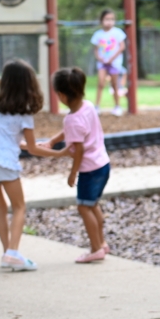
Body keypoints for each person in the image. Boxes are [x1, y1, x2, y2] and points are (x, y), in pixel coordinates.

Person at [0, 60, 68, 271]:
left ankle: (7, 252)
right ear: (28, 85)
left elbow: (6, 139)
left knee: (0, 206)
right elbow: (33, 149)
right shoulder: (24, 114)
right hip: (5, 165)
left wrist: (26, 144)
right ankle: (13, 253)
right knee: (19, 207)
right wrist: (59, 153)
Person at [42, 68, 112, 264]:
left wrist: (73, 173)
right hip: (103, 165)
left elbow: (78, 150)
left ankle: (95, 248)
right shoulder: (87, 106)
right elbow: (71, 130)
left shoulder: (72, 119)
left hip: (89, 170)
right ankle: (102, 243)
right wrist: (53, 140)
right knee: (93, 205)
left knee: (83, 207)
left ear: (62, 95)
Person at [91, 8, 127, 116]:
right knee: (101, 83)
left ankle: (117, 106)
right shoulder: (98, 34)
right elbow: (96, 50)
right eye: (107, 19)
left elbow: (122, 47)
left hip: (114, 63)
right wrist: (100, 58)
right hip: (102, 63)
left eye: (112, 19)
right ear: (102, 20)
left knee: (114, 84)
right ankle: (96, 106)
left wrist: (112, 58)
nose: (109, 21)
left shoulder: (118, 32)